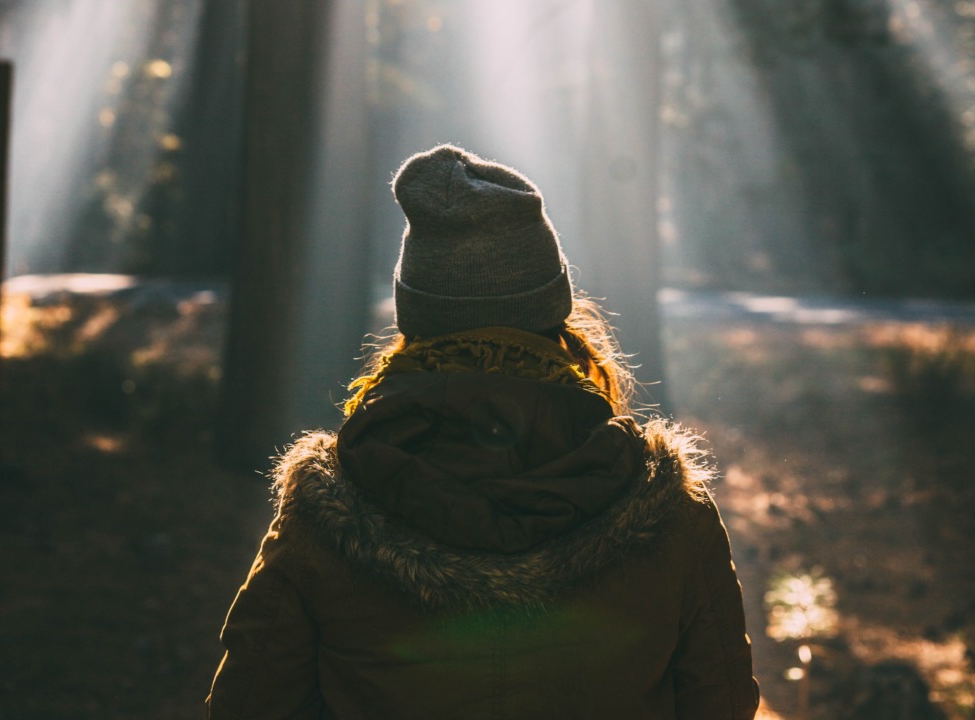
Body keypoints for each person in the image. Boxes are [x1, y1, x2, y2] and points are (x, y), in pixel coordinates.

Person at [207, 144, 759, 719]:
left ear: (414, 319)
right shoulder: (667, 511)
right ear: (556, 311)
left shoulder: (327, 514)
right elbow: (721, 704)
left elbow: (249, 705)